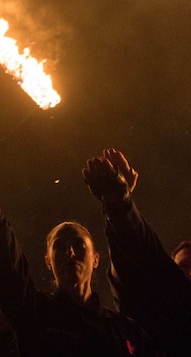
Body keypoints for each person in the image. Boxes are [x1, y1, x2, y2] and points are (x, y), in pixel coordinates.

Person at [0, 141, 155, 356]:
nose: (70, 253)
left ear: (96, 259)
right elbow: (7, 268)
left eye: (79, 245)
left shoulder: (124, 330)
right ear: (48, 261)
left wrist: (120, 202)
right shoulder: (35, 313)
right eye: (60, 247)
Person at [83, 148, 191, 355]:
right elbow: (138, 255)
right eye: (184, 267)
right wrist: (118, 204)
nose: (188, 275)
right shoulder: (152, 311)